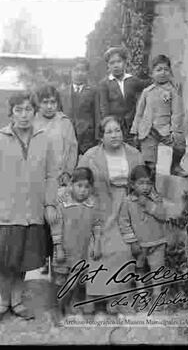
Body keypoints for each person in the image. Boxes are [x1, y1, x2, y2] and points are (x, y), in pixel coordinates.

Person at [0, 91, 58, 325]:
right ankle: (3, 302)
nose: (24, 115)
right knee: (6, 263)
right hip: (6, 213)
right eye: (18, 110)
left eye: (28, 110)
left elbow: (51, 175)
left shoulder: (44, 138)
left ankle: (17, 301)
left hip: (32, 213)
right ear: (11, 113)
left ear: (34, 112)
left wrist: (50, 204)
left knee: (23, 262)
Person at [78, 116, 143, 314]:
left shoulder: (134, 154)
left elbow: (143, 181)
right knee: (100, 249)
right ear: (101, 136)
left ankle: (117, 299)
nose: (114, 135)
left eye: (117, 130)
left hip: (127, 206)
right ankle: (96, 296)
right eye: (109, 132)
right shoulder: (90, 156)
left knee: (124, 249)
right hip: (101, 205)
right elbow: (80, 182)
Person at [32, 85, 78, 274]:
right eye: (45, 102)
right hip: (39, 177)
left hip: (59, 178)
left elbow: (72, 147)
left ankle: (59, 257)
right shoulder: (33, 121)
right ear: (38, 104)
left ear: (58, 103)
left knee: (58, 217)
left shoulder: (64, 122)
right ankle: (44, 258)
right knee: (42, 219)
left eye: (53, 102)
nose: (49, 106)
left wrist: (68, 172)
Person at [50, 167, 102, 323]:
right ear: (71, 185)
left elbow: (96, 225)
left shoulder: (92, 205)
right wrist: (58, 247)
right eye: (79, 186)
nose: (83, 191)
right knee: (61, 280)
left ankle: (71, 303)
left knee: (76, 280)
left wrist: (97, 243)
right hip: (64, 250)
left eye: (86, 187)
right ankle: (58, 309)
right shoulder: (63, 206)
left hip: (82, 251)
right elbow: (56, 228)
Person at [130, 54, 188, 181]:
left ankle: (175, 166)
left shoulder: (173, 90)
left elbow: (177, 112)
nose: (163, 73)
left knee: (180, 145)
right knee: (149, 163)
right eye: (159, 70)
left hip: (165, 128)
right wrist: (135, 130)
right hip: (148, 130)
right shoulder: (147, 91)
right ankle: (151, 188)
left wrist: (175, 130)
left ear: (170, 72)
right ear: (152, 74)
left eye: (166, 69)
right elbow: (139, 113)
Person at [119, 164, 168, 309]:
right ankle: (141, 296)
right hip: (139, 245)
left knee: (157, 269)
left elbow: (163, 215)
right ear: (132, 185)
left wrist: (148, 204)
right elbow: (124, 222)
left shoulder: (156, 198)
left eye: (148, 183)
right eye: (141, 183)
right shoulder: (128, 202)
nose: (145, 187)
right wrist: (132, 242)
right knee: (139, 269)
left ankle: (157, 296)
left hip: (158, 242)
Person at [99, 46, 150, 146]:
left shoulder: (132, 80)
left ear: (125, 63)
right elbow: (104, 107)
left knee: (132, 153)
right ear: (108, 66)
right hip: (115, 127)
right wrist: (109, 126)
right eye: (112, 63)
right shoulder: (105, 83)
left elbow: (147, 85)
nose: (116, 65)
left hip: (132, 126)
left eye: (119, 61)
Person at [59, 57, 100, 156]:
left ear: (87, 73)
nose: (79, 73)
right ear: (71, 72)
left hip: (87, 138)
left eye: (83, 70)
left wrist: (97, 136)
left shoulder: (93, 91)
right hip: (67, 136)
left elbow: (97, 114)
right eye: (76, 70)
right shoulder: (62, 92)